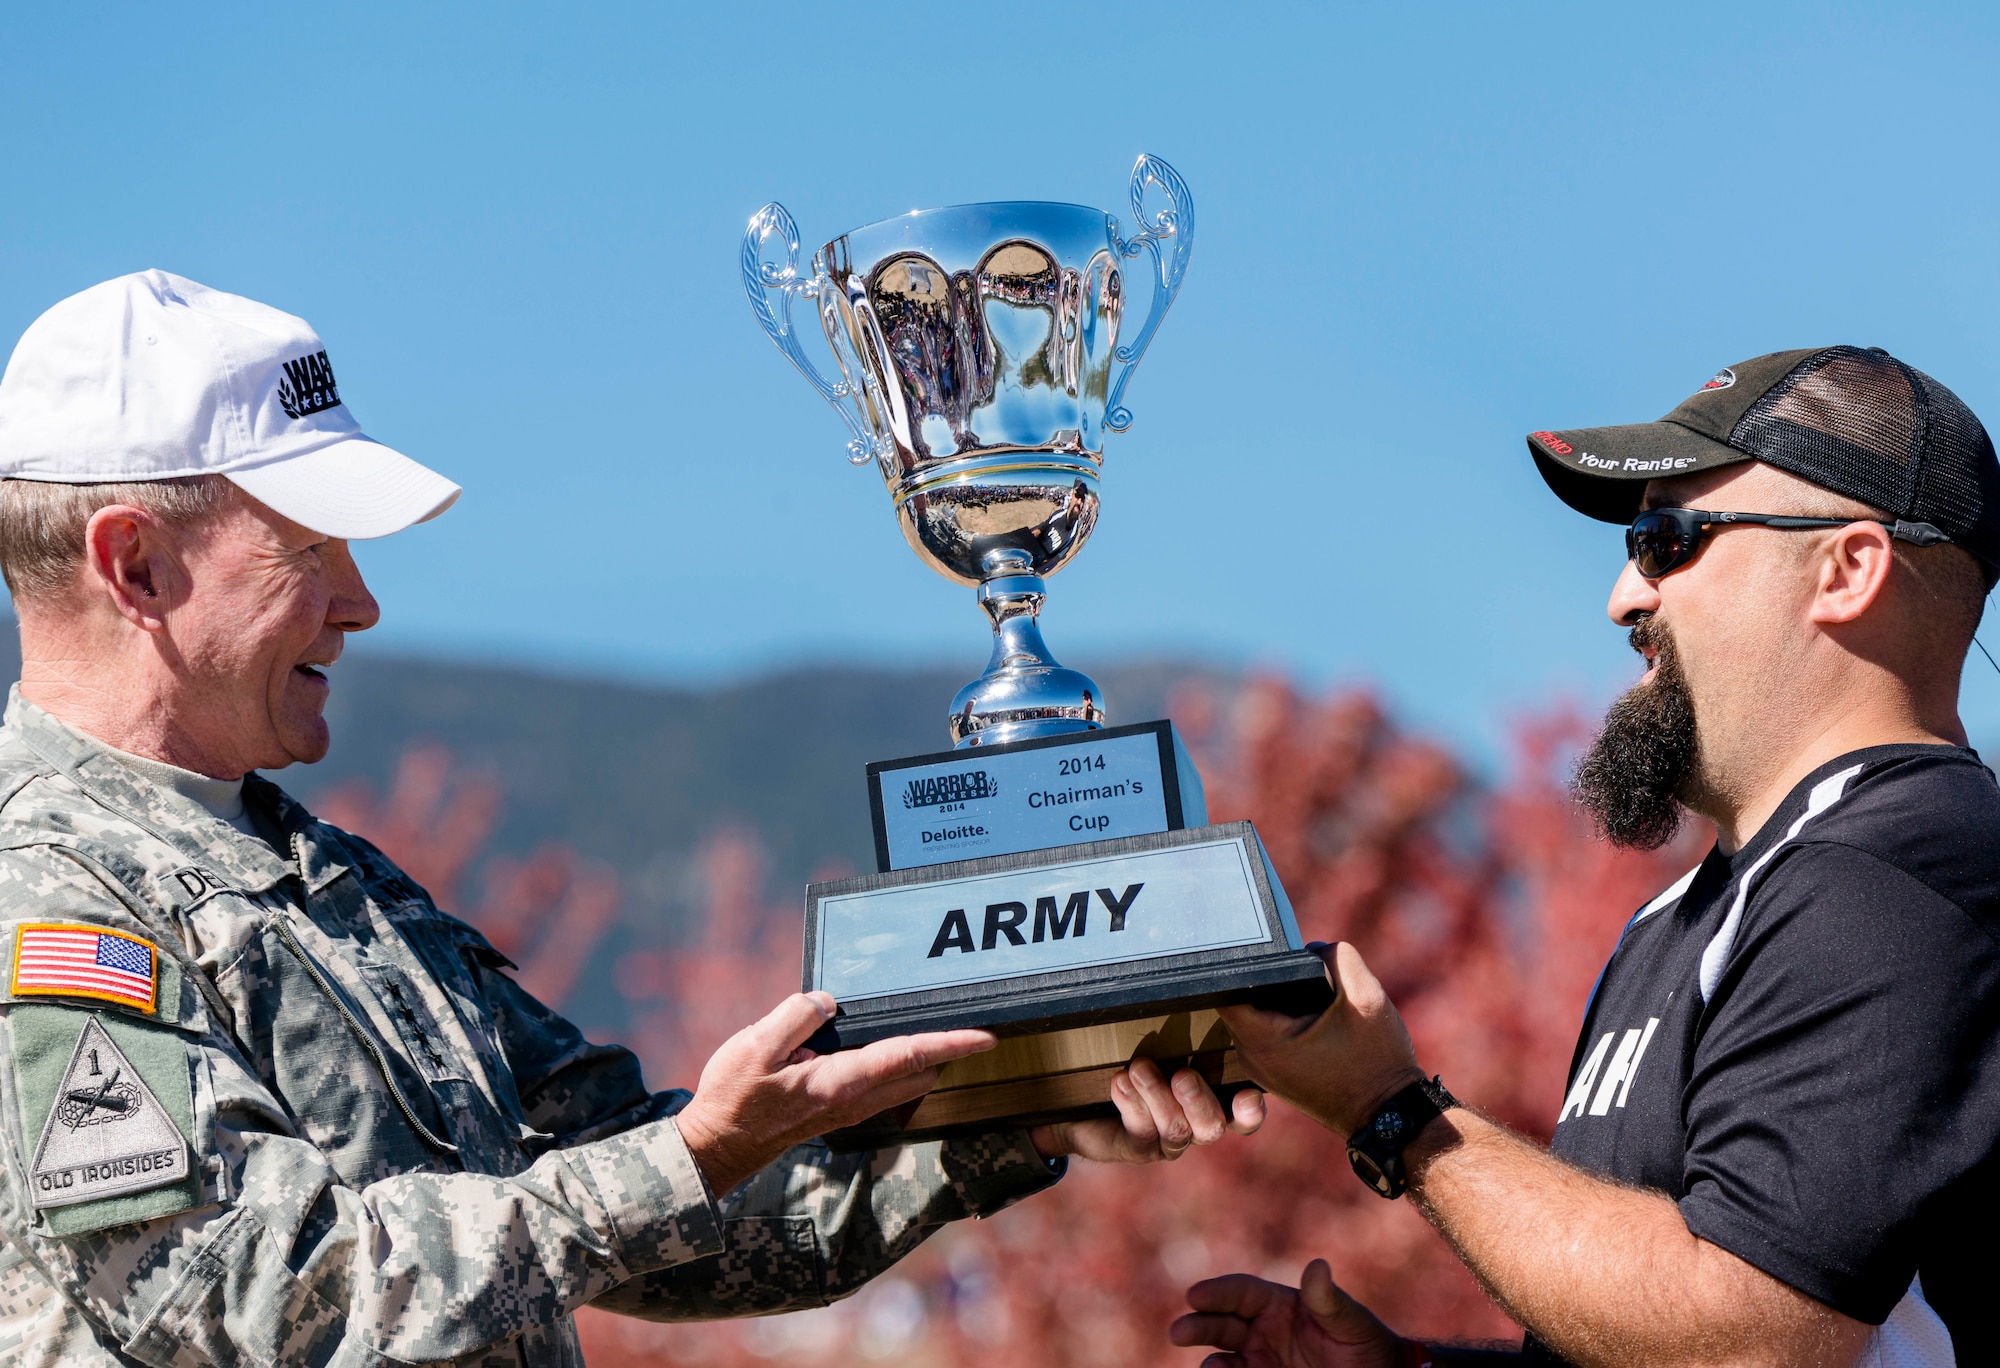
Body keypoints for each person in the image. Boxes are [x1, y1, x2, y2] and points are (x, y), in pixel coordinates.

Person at [0, 270, 1263, 1367]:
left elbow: (647, 1215)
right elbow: (253, 1295)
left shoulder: (332, 883)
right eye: (310, 550)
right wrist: (684, 1162)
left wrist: (1008, 1109)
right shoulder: (40, 894)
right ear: (136, 567)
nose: (361, 602)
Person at [1170, 346, 2000, 1367]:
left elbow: (1748, 1335)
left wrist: (1390, 1111)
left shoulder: (1893, 870)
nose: (1620, 597)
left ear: (1845, 570)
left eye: (1665, 540)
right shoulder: (1685, 916)